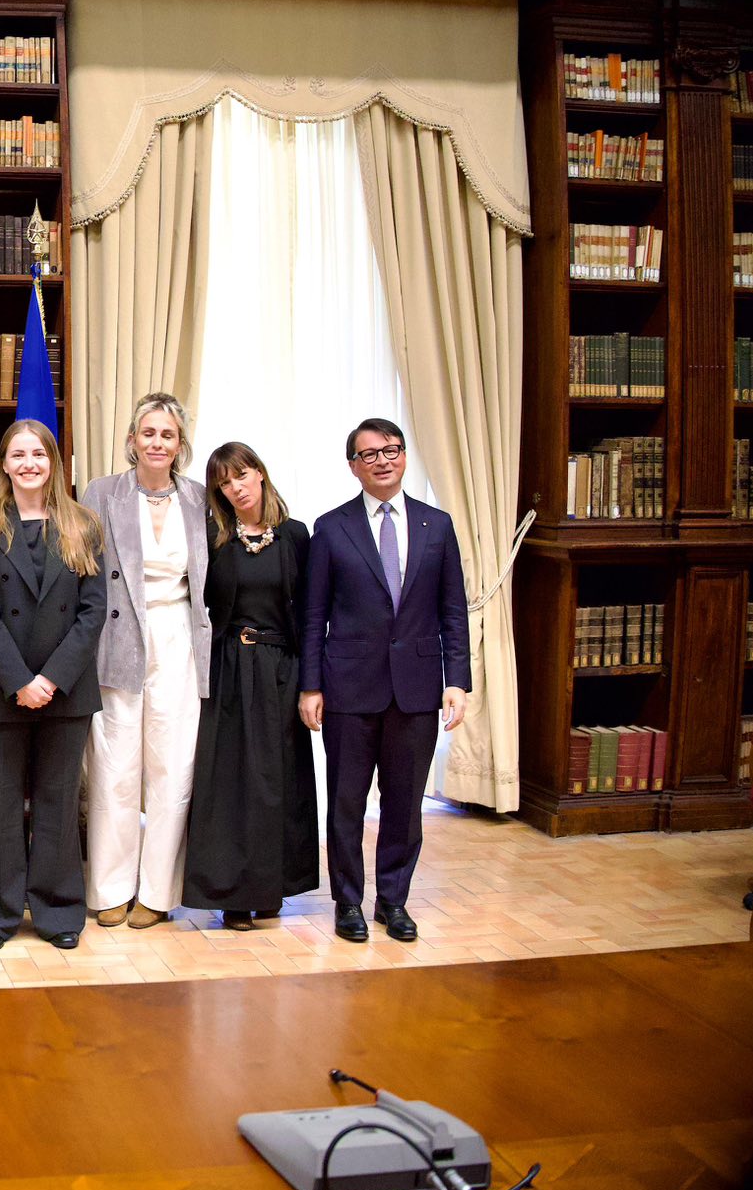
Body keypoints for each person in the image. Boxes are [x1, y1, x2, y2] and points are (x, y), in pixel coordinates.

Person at [300, 418, 470, 944]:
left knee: (404, 804)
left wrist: (457, 681)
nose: (382, 461)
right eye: (369, 454)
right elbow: (313, 614)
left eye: (391, 450)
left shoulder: (437, 525)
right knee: (346, 803)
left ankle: (393, 901)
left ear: (404, 456)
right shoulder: (331, 528)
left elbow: (453, 610)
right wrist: (310, 685)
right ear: (353, 466)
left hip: (417, 688)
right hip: (348, 688)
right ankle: (348, 902)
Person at [0, 420, 107, 951]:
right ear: (3, 463)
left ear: (53, 463)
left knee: (58, 803)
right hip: (0, 690)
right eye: (18, 454)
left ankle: (58, 911)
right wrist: (21, 681)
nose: (29, 464)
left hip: (66, 690)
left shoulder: (83, 525)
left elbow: (93, 613)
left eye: (38, 454)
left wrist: (50, 679)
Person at [80, 391, 212, 930]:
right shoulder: (101, 492)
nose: (157, 442)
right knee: (114, 767)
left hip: (180, 639)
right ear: (132, 439)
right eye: (148, 432)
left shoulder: (200, 498)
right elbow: (82, 569)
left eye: (168, 435)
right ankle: (110, 888)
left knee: (172, 767)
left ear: (180, 445)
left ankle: (157, 893)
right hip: (117, 637)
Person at [181, 442, 317, 931]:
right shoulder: (213, 538)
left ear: (259, 473)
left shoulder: (296, 536)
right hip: (229, 667)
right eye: (223, 483)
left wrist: (310, 683)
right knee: (229, 782)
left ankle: (270, 888)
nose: (235, 488)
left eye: (241, 475)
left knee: (277, 782)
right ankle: (233, 896)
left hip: (281, 668)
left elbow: (311, 612)